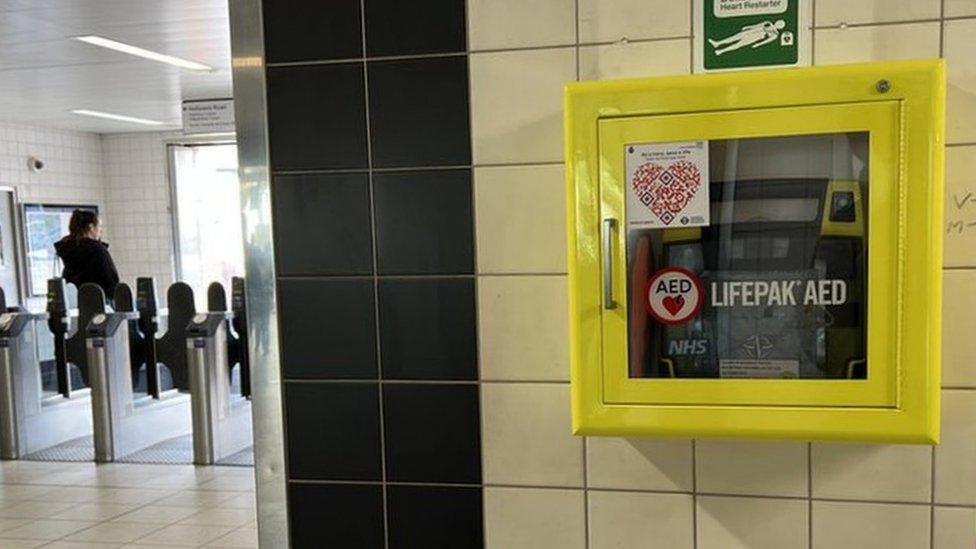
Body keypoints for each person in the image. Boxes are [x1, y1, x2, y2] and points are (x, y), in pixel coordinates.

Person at [54, 210, 120, 296]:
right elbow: (111, 280)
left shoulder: (67, 249)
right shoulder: (97, 250)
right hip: (98, 300)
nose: (101, 230)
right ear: (91, 227)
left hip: (74, 301)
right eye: (99, 226)